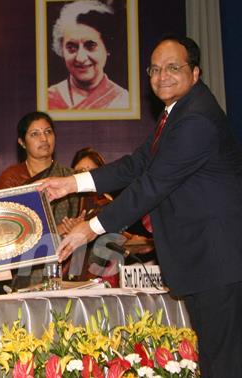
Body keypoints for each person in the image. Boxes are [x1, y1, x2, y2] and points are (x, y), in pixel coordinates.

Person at [42, 35, 242, 375]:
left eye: (173, 68)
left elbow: (150, 186)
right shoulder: (175, 114)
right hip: (206, 262)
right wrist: (72, 183)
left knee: (222, 364)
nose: (162, 76)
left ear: (196, 73)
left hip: (216, 262)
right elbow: (136, 164)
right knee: (215, 360)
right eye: (155, 69)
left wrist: (88, 230)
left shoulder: (196, 120)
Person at [0, 111, 78, 226]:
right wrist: (57, 231)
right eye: (35, 134)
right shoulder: (11, 178)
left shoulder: (70, 176)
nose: (44, 138)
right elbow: (1, 223)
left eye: (48, 132)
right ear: (22, 143)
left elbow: (94, 211)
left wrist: (80, 224)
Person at [47, 0, 129, 110]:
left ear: (108, 47)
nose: (80, 58)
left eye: (90, 46)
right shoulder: (47, 99)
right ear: (61, 49)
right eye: (71, 47)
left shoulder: (123, 101)